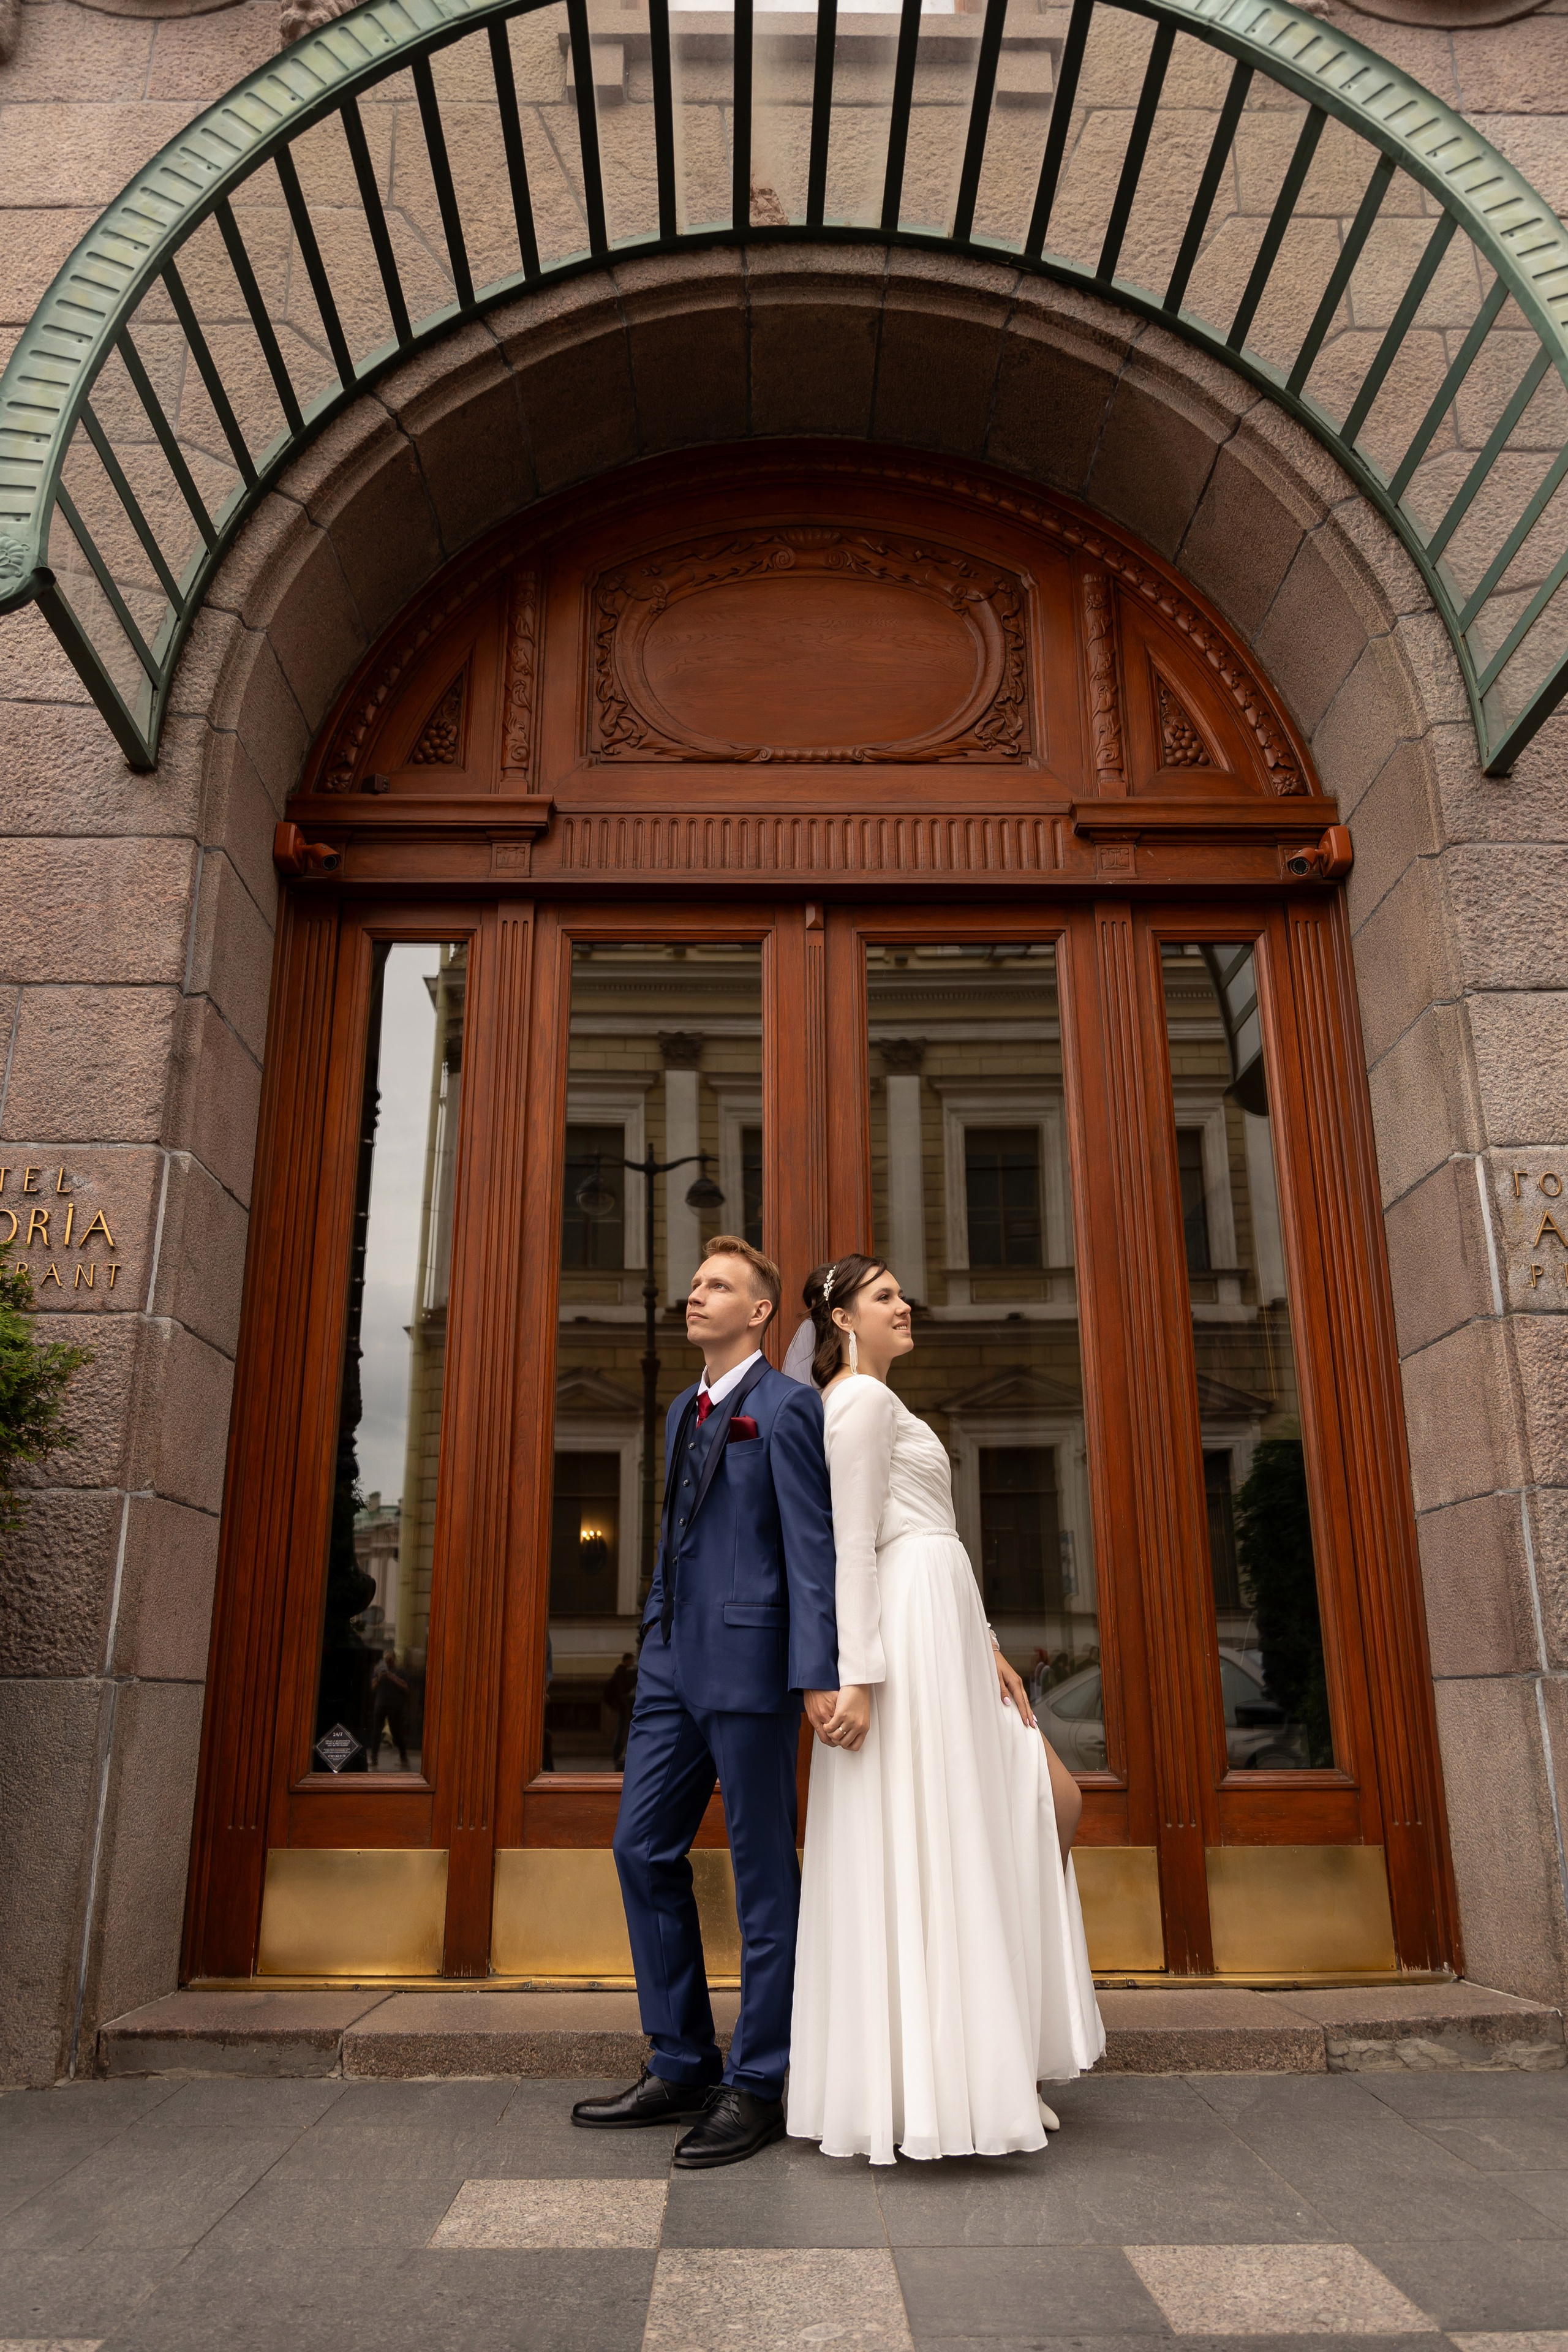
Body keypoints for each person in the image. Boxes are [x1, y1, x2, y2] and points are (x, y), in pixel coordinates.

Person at [787, 1254, 1105, 2165]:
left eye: (901, 1294)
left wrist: (990, 1646)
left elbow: (936, 1534)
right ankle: (958, 2077)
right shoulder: (858, 1401)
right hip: (908, 1630)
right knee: (949, 1831)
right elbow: (852, 1545)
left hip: (948, 1621)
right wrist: (856, 1676)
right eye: (884, 1296)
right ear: (843, 1318)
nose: (905, 1306)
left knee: (1030, 1808)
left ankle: (990, 2057)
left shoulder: (883, 1401)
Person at [571, 1237, 839, 2169]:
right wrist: (655, 1629)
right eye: (693, 1284)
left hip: (753, 1667)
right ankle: (681, 2060)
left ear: (760, 1312)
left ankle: (759, 2080)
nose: (695, 1296)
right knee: (640, 1848)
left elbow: (811, 1550)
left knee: (764, 1878)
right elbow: (674, 1533)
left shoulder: (789, 1407)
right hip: (670, 1667)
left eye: (717, 1286)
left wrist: (818, 1673)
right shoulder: (682, 1408)